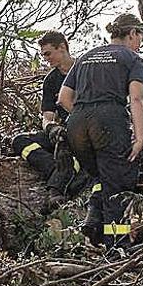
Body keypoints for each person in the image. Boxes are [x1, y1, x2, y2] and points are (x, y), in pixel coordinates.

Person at [58, 13, 143, 248]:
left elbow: (63, 98)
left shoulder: (85, 57)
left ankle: (94, 230)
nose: (140, 43)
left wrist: (84, 115)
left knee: (102, 175)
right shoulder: (133, 58)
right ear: (132, 33)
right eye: (139, 37)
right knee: (117, 187)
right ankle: (117, 247)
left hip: (77, 122)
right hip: (109, 120)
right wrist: (140, 137)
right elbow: (137, 98)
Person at [11, 31, 90, 196]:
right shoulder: (50, 80)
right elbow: (47, 116)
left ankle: (64, 179)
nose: (46, 59)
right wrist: (51, 128)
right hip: (62, 134)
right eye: (43, 55)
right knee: (19, 141)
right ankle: (56, 168)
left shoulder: (86, 70)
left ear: (62, 47)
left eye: (48, 53)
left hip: (86, 133)